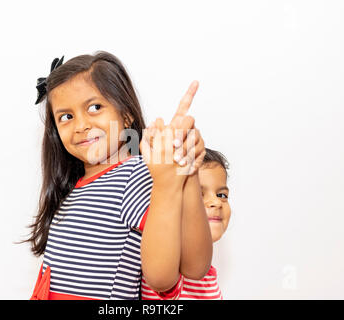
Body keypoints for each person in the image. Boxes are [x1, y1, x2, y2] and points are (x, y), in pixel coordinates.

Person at [25, 51, 213, 300]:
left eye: (95, 107)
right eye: (66, 117)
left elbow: (180, 272)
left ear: (126, 114)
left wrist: (182, 176)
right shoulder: (77, 186)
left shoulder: (134, 175)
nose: (80, 125)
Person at [141, 148, 231, 300]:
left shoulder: (207, 275)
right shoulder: (168, 265)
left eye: (221, 195)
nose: (216, 202)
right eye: (197, 195)